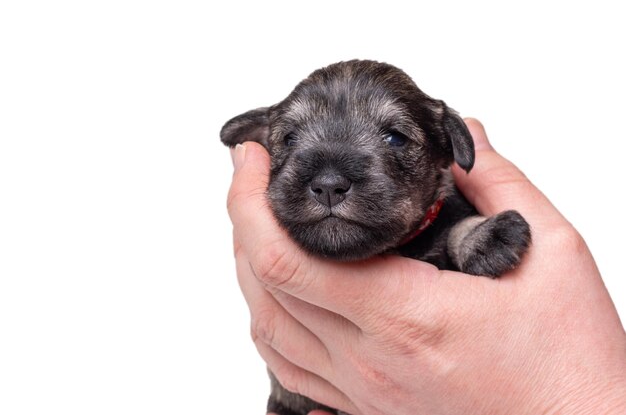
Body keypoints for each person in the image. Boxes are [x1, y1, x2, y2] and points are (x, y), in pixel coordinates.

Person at [227, 118, 626, 415]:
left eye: (394, 138)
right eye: (291, 138)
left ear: (447, 147)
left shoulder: (450, 216)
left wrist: (565, 399)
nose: (330, 181)